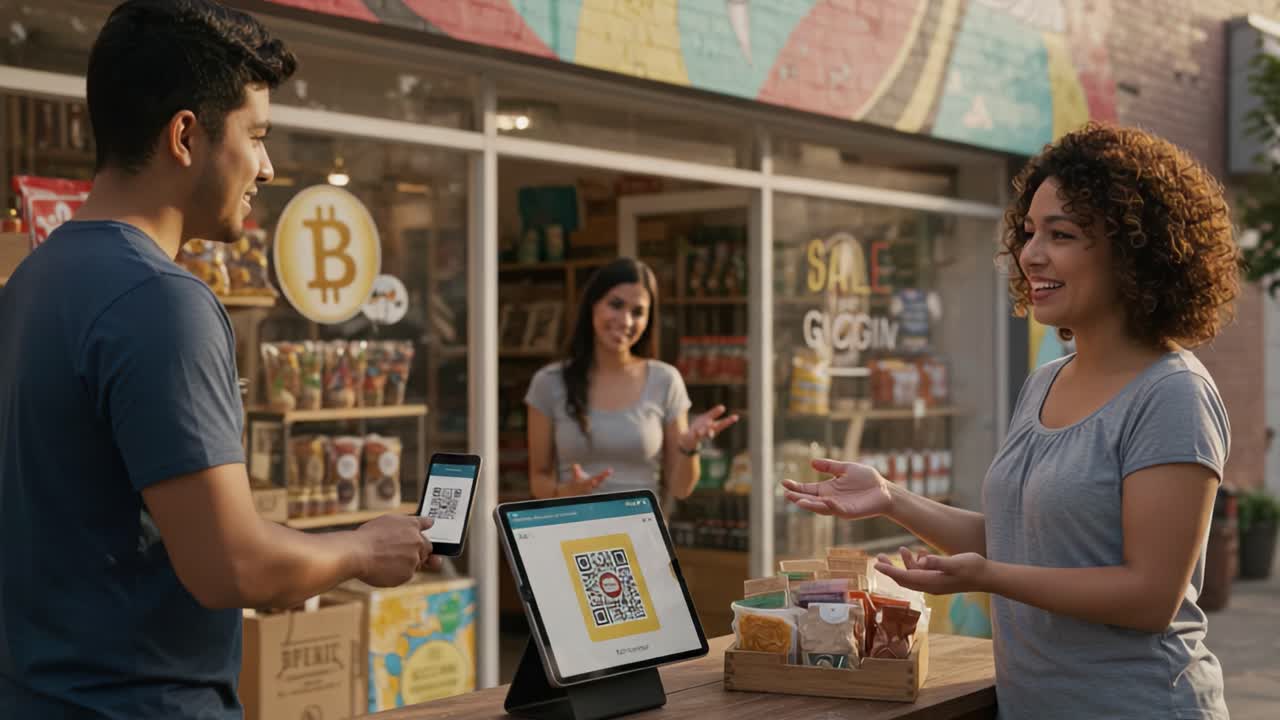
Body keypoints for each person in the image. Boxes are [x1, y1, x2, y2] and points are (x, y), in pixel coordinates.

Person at [0, 3, 440, 718]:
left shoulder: (31, 281)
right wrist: (362, 549)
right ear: (185, 136)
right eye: (256, 135)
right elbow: (232, 566)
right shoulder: (160, 300)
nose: (265, 166)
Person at [783, 123, 1236, 719]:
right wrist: (892, 499)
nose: (1031, 254)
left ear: (1134, 252)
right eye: (1028, 233)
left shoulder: (1173, 395)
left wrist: (990, 577)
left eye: (1062, 234)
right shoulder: (1047, 382)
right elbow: (1024, 541)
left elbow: (1150, 596)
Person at [525, 257, 739, 499]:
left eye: (638, 312)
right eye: (616, 305)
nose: (626, 321)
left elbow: (681, 489)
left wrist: (689, 448)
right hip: (572, 531)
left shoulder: (665, 380)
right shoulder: (549, 382)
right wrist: (565, 492)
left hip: (640, 534)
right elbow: (539, 478)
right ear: (592, 305)